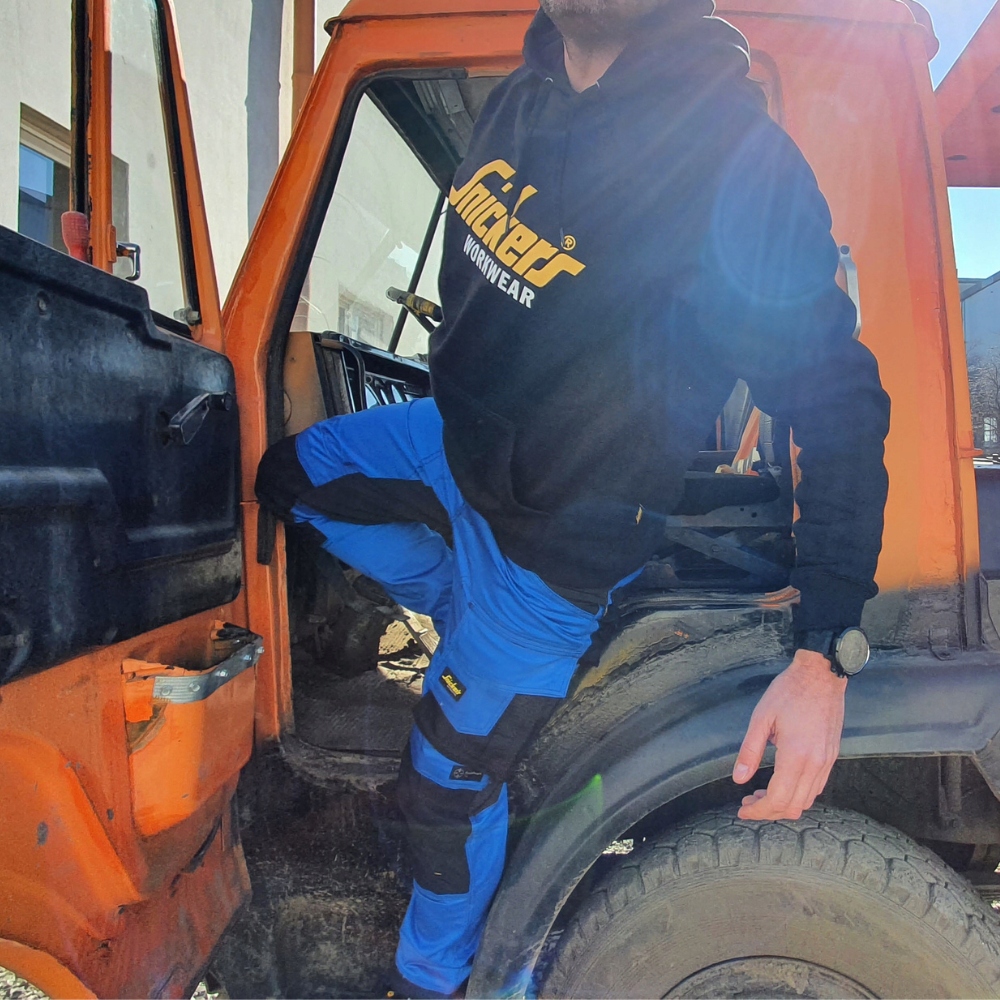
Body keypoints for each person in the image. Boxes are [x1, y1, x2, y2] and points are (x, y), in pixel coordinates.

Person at [255, 0, 891, 995]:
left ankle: (439, 979)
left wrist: (824, 656)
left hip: (554, 548)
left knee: (444, 792)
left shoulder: (736, 162)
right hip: (450, 448)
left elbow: (842, 404)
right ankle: (463, 614)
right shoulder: (523, 93)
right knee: (292, 479)